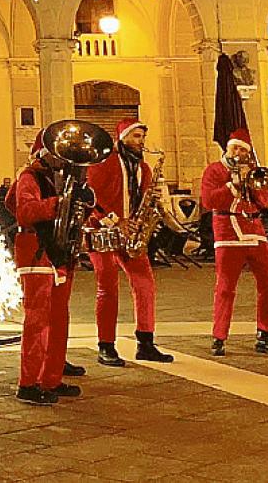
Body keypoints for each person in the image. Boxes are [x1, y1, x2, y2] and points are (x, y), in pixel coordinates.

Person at [86, 118, 173, 365]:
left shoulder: (143, 168)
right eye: (136, 136)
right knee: (107, 288)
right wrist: (116, 221)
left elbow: (142, 199)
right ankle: (106, 345)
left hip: (131, 234)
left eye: (142, 136)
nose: (141, 141)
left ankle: (145, 343)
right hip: (102, 231)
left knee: (145, 284)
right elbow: (91, 196)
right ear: (122, 137)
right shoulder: (104, 162)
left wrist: (149, 207)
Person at [6, 133, 83, 404]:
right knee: (38, 319)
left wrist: (85, 204)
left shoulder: (62, 177)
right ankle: (28, 383)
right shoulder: (30, 177)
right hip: (35, 249)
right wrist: (61, 203)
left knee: (59, 318)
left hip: (59, 251)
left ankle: (51, 378)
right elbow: (25, 212)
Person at [199, 130, 268, 357]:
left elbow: (265, 201)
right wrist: (231, 186)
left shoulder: (253, 170)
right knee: (225, 287)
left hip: (255, 231)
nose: (238, 153)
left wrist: (253, 184)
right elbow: (208, 201)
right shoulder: (214, 170)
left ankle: (265, 334)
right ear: (227, 148)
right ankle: (219, 337)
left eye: (243, 150)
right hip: (227, 231)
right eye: (235, 148)